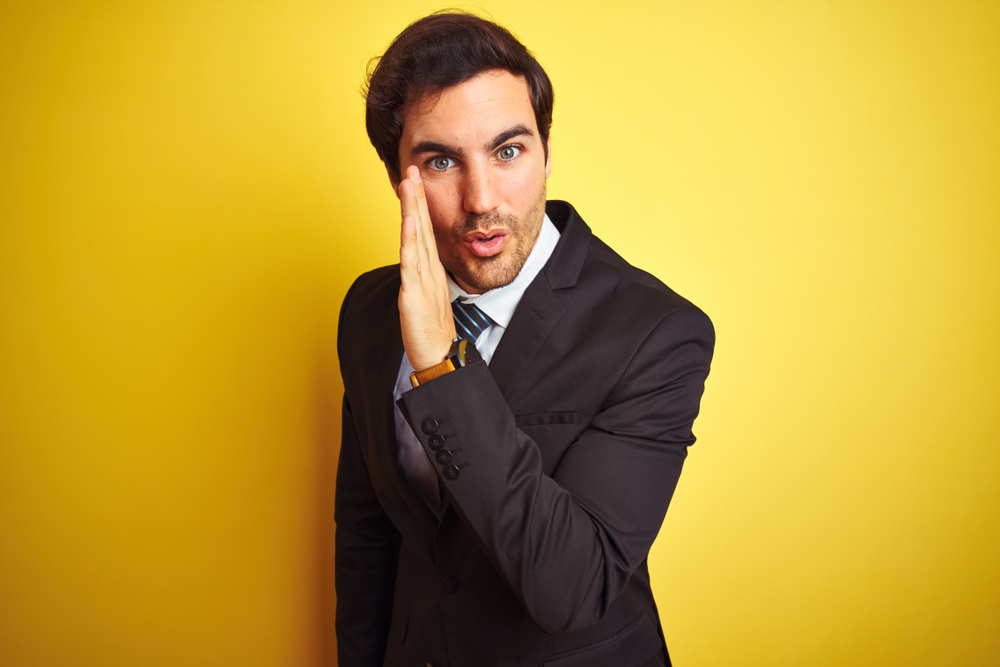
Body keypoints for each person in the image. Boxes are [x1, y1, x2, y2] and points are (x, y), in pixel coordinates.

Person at [335, 11, 714, 667]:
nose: (482, 198)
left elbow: (573, 586)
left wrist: (440, 368)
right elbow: (368, 534)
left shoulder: (656, 334)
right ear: (400, 178)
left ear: (545, 152)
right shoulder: (370, 309)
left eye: (508, 150)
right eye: (441, 160)